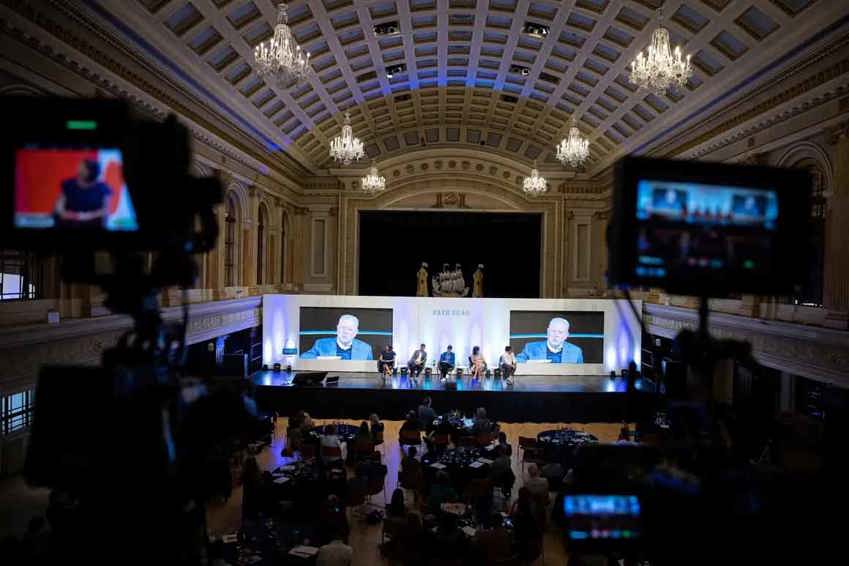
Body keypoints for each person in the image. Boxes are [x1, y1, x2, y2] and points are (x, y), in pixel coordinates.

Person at [54, 158, 112, 229]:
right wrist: (73, 216)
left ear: (91, 171)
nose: (79, 169)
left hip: (92, 223)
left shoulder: (103, 188)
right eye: (80, 167)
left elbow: (105, 210)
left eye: (83, 168)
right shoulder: (68, 184)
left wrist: (87, 216)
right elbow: (59, 208)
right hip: (70, 222)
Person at [300, 314, 374, 360]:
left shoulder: (366, 348)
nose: (345, 332)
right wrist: (322, 360)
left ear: (355, 333)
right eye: (343, 328)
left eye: (350, 329)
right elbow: (303, 357)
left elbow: (371, 372)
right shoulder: (321, 344)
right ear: (337, 329)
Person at [516, 317, 584, 364]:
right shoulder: (530, 347)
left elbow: (581, 375)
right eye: (553, 331)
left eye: (560, 332)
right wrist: (530, 363)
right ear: (548, 331)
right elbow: (516, 362)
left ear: (566, 335)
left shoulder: (576, 351)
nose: (556, 335)